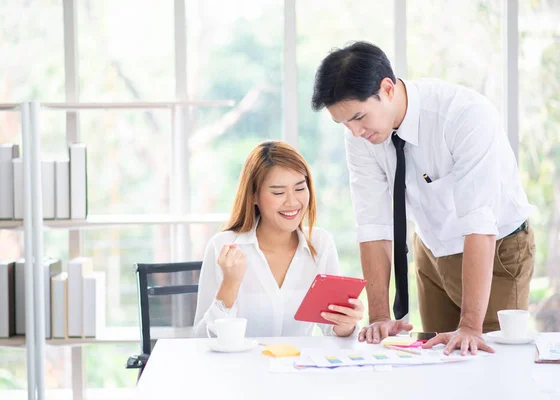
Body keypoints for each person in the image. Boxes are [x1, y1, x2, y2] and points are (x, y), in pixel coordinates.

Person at [311, 41, 535, 355]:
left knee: (487, 359)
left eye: (359, 117)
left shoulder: (464, 114)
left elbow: (480, 223)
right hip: (432, 248)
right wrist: (378, 317)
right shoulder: (361, 134)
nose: (353, 131)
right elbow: (373, 223)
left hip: (495, 249)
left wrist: (470, 325)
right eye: (343, 123)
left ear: (387, 89)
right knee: (435, 359)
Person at [193, 140, 364, 338]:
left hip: (299, 366)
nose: (292, 202)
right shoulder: (224, 247)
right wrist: (230, 284)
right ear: (253, 196)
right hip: (241, 368)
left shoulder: (321, 243)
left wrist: (346, 324)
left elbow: (333, 331)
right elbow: (200, 340)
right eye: (278, 192)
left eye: (300, 188)